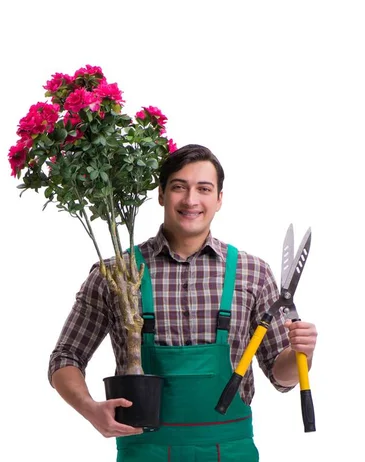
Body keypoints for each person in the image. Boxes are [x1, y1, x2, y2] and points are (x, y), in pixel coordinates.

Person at [48, 144, 318, 461]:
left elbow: (282, 377)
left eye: (204, 189)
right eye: (179, 187)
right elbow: (65, 358)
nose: (191, 200)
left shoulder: (252, 273)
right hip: (144, 451)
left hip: (230, 451)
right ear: (161, 194)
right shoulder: (118, 274)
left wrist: (302, 354)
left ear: (219, 198)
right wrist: (90, 409)